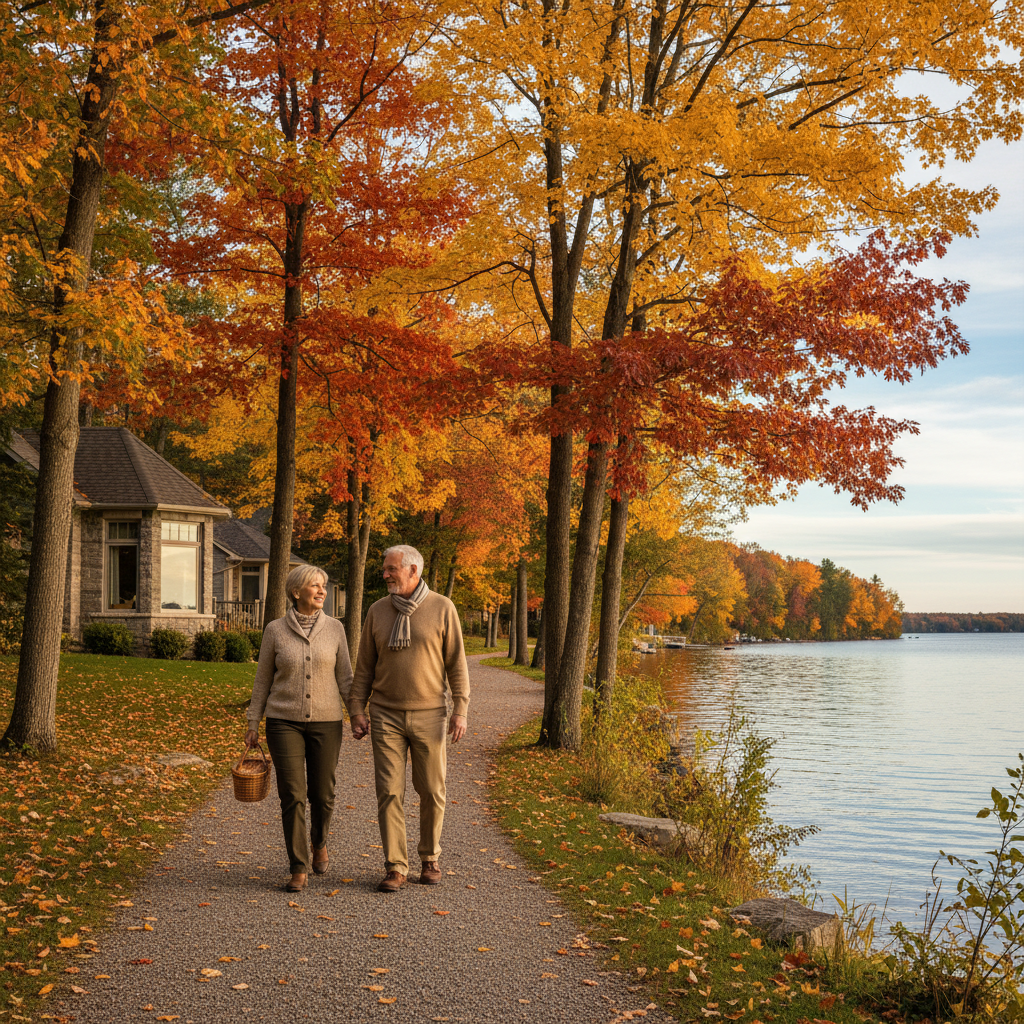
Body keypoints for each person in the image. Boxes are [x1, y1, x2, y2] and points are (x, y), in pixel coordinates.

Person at [348, 545, 469, 892]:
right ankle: (395, 866)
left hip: (430, 713)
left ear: (413, 570)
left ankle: (429, 857)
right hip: (385, 714)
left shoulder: (443, 608)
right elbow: (364, 667)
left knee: (432, 789)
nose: (384, 574)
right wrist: (356, 708)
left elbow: (457, 665)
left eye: (391, 569)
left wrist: (460, 709)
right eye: (384, 568)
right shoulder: (377, 611)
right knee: (389, 791)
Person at [245, 565, 352, 893]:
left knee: (323, 793)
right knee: (292, 794)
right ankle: (298, 865)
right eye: (314, 586)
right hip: (283, 721)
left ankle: (319, 842)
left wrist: (360, 714)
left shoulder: (335, 629)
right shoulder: (275, 630)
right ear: (296, 592)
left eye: (324, 586)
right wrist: (253, 722)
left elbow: (346, 678)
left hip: (327, 721)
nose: (322, 591)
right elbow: (263, 679)